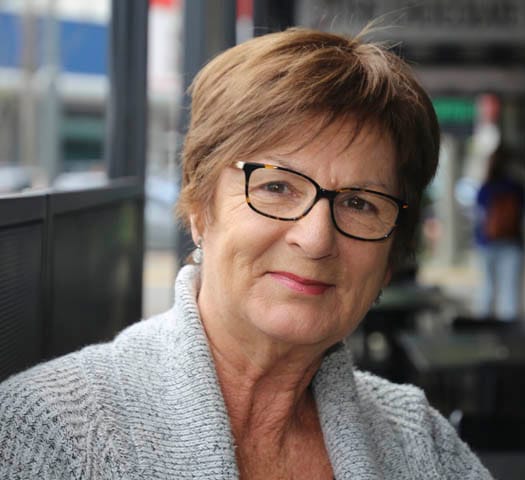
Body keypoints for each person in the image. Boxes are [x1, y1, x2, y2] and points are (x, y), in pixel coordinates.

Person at [0, 28, 493, 479]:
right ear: (200, 207)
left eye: (360, 203)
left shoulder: (421, 443)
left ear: (390, 257)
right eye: (277, 186)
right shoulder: (47, 434)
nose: (316, 239)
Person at [474, 143, 525, 321]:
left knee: (486, 290)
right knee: (510, 294)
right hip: (512, 243)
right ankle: (510, 333)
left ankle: (484, 329)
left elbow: (479, 217)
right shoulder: (517, 187)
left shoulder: (486, 188)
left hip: (487, 243)